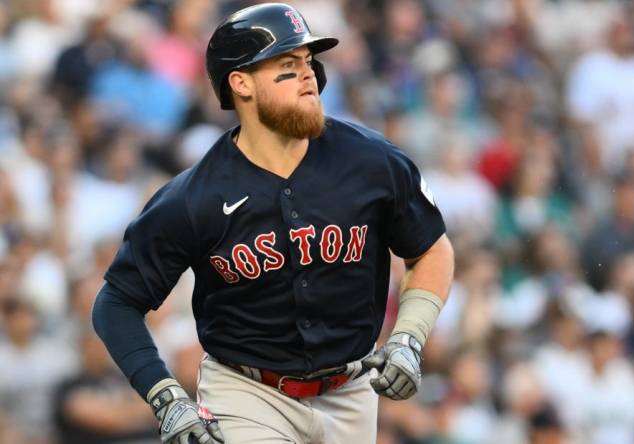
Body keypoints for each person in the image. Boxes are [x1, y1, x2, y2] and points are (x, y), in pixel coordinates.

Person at [91, 3, 454, 444]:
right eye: (287, 64)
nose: (308, 75)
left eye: (308, 62)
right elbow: (116, 302)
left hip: (353, 390)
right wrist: (165, 395)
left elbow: (431, 248)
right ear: (240, 83)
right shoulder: (195, 196)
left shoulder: (372, 161)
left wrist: (409, 337)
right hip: (247, 393)